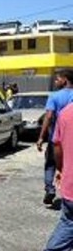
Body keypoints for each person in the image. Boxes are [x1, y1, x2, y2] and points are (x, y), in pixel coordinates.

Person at [35, 102, 73, 251]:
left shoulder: (66, 112)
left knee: (69, 222)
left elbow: (57, 147)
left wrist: (61, 169)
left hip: (70, 183)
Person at [37, 70, 73, 208]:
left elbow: (48, 116)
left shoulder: (54, 96)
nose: (55, 82)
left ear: (65, 80)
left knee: (50, 164)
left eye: (57, 79)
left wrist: (41, 137)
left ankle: (50, 190)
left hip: (56, 138)